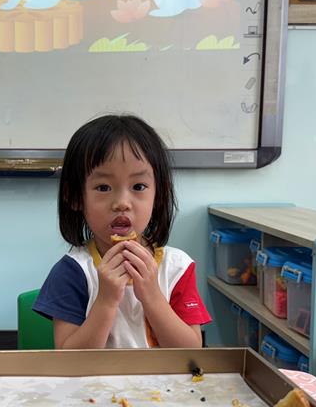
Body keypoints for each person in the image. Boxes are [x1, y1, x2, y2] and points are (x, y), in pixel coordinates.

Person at [34, 113, 210, 348]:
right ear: (75, 197)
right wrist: (106, 301)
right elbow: (70, 360)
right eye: (103, 187)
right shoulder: (73, 271)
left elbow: (191, 351)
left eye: (138, 186)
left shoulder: (177, 267)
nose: (122, 203)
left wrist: (152, 296)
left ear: (158, 194)